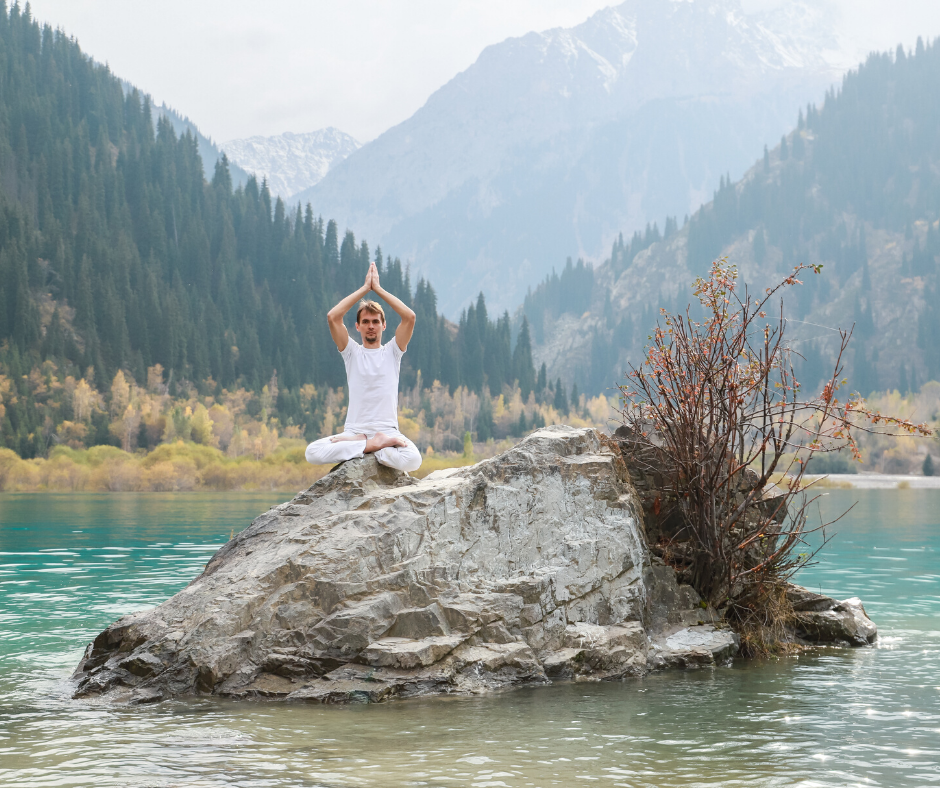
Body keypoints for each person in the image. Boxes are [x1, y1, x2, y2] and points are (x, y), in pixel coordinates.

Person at [304, 261, 422, 473]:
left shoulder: (393, 352)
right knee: (312, 451)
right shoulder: (351, 352)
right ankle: (372, 446)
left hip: (387, 431)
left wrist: (378, 289)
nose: (370, 326)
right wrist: (364, 289)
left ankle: (372, 445)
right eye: (365, 321)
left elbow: (409, 317)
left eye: (375, 321)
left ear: (384, 325)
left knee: (413, 460)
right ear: (357, 326)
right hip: (354, 432)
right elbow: (333, 316)